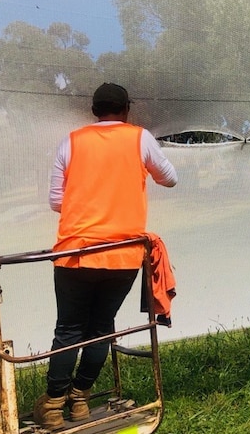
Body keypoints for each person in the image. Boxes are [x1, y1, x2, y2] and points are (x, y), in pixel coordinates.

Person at [34, 83, 178, 430]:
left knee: (68, 329)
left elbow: (56, 200)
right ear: (126, 109)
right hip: (123, 255)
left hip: (76, 253)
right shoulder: (140, 138)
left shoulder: (72, 141)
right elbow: (170, 179)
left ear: (93, 110)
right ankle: (80, 401)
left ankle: (53, 406)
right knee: (101, 328)